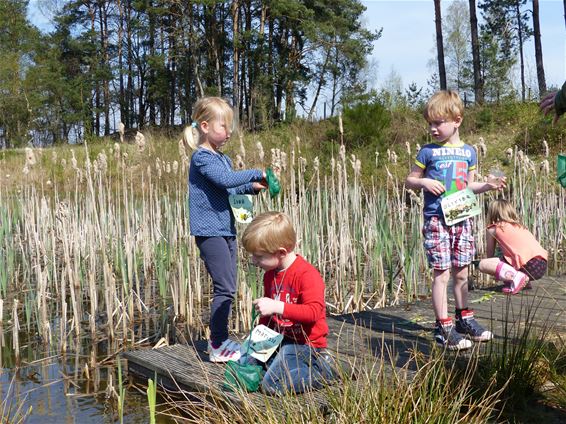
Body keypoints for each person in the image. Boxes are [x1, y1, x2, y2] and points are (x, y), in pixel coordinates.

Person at [405, 90, 505, 351]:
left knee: (462, 272)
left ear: (457, 120)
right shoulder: (427, 152)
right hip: (437, 219)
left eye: (438, 123)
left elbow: (470, 186)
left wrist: (490, 185)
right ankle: (443, 326)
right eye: (430, 123)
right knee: (442, 273)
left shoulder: (469, 152)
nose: (433, 128)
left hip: (461, 218)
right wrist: (423, 181)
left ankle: (464, 319)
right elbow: (410, 179)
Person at [184, 97, 267, 363]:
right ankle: (217, 344)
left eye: (230, 126)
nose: (229, 132)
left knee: (229, 286)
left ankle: (220, 338)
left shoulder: (223, 158)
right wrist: (255, 172)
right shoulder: (202, 158)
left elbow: (229, 187)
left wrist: (251, 188)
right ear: (205, 126)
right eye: (224, 126)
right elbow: (223, 179)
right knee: (224, 287)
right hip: (209, 231)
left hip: (225, 228)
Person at [241, 211, 335, 395]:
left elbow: (313, 312)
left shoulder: (307, 275)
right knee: (246, 369)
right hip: (281, 340)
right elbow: (268, 318)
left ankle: (326, 371)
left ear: (281, 252)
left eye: (259, 256)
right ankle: (287, 367)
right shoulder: (270, 274)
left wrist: (277, 306)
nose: (253, 261)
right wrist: (258, 338)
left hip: (307, 345)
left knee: (272, 386)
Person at [478, 199, 547, 295]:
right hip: (542, 265)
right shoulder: (520, 226)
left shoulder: (493, 229)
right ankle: (523, 282)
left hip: (529, 266)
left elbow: (490, 255)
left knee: (483, 264)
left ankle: (517, 278)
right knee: (508, 256)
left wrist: (497, 272)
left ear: (492, 213)